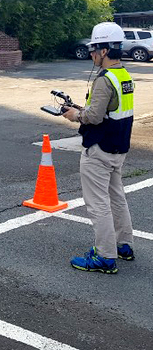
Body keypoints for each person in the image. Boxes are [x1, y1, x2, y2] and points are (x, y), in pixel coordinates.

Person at [62, 22, 135, 274]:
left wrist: (74, 114)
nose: (92, 53)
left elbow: (93, 117)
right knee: (116, 197)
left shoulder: (104, 80)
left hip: (100, 148)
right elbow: (111, 112)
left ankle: (105, 256)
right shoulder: (124, 75)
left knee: (98, 203)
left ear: (104, 51)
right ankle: (124, 245)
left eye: (94, 49)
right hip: (119, 147)